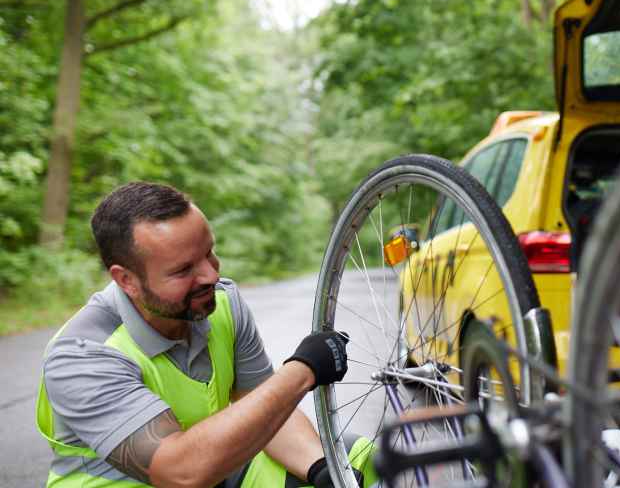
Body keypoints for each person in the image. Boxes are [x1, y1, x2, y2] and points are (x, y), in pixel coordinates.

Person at [36, 182, 377, 487]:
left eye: (209, 252)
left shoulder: (221, 303)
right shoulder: (84, 354)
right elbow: (181, 473)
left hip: (213, 470)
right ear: (126, 280)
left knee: (359, 457)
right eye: (184, 269)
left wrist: (321, 469)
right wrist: (302, 370)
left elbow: (261, 408)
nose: (211, 274)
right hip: (167, 476)